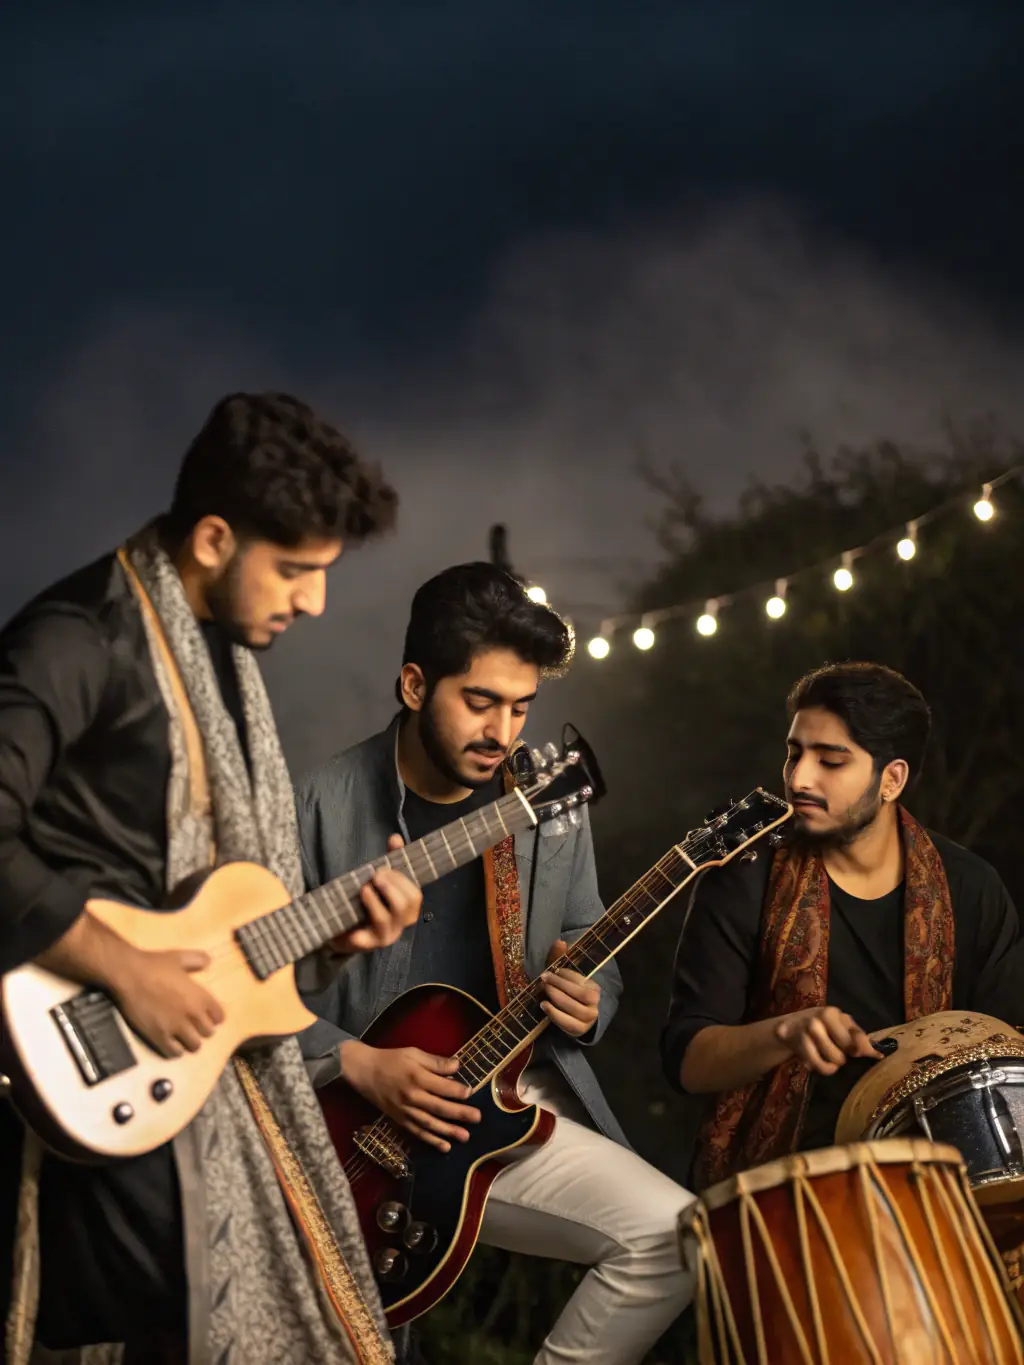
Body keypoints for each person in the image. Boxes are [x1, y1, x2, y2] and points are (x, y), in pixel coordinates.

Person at [0, 392, 424, 1365]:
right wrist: (125, 969)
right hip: (78, 1057)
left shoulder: (221, 661)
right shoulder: (77, 641)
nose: (313, 601)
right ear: (213, 538)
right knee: (186, 1303)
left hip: (188, 1066)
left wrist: (327, 940)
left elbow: (193, 905)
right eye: (295, 570)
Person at [296, 562, 695, 1365]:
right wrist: (357, 1062)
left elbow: (589, 940)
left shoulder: (550, 805)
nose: (502, 731)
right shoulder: (318, 802)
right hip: (341, 1127)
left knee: (674, 1235)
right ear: (414, 685)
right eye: (479, 701)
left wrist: (593, 999)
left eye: (520, 707)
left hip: (498, 1100)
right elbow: (246, 991)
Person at [661, 660, 1022, 1193]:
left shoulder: (969, 887)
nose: (800, 778)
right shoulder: (742, 876)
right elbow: (688, 1062)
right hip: (782, 1186)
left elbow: (1008, 1055)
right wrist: (784, 1032)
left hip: (937, 1182)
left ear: (891, 779)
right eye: (794, 754)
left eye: (831, 761)